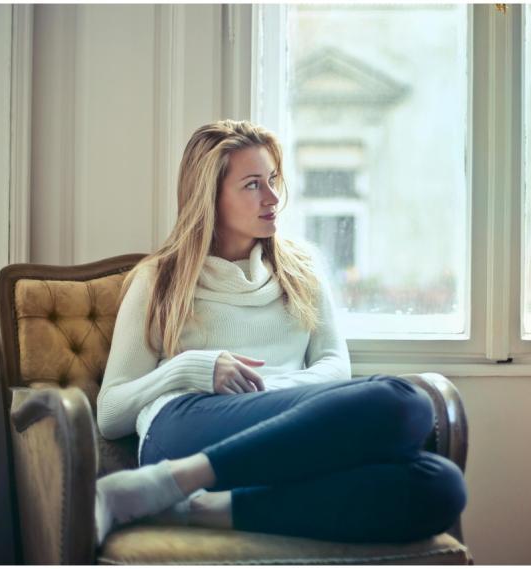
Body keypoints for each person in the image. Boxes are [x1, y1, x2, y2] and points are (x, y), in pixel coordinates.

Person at [94, 119, 466, 546]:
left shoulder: (302, 268)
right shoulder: (159, 279)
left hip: (285, 428)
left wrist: (269, 390)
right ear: (209, 198)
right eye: (252, 184)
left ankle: (196, 507)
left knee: (439, 485)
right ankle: (172, 478)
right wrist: (191, 368)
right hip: (185, 427)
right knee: (402, 401)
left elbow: (333, 366)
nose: (272, 198)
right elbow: (110, 412)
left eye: (272, 179)